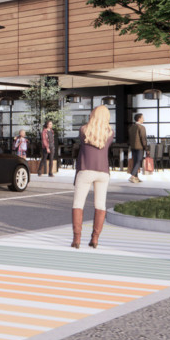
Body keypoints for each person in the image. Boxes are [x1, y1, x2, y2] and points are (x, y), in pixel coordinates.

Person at [71, 106, 114, 249]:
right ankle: (95, 239)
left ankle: (77, 240)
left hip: (85, 170)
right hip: (103, 172)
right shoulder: (110, 132)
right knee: (100, 205)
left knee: (78, 204)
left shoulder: (83, 130)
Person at [127, 113, 148, 183]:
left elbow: (129, 138)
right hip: (139, 147)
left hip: (133, 147)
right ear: (139, 119)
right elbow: (143, 139)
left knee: (135, 161)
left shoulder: (131, 127)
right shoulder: (141, 127)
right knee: (138, 161)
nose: (143, 119)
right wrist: (146, 148)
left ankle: (136, 177)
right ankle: (132, 175)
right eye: (142, 118)